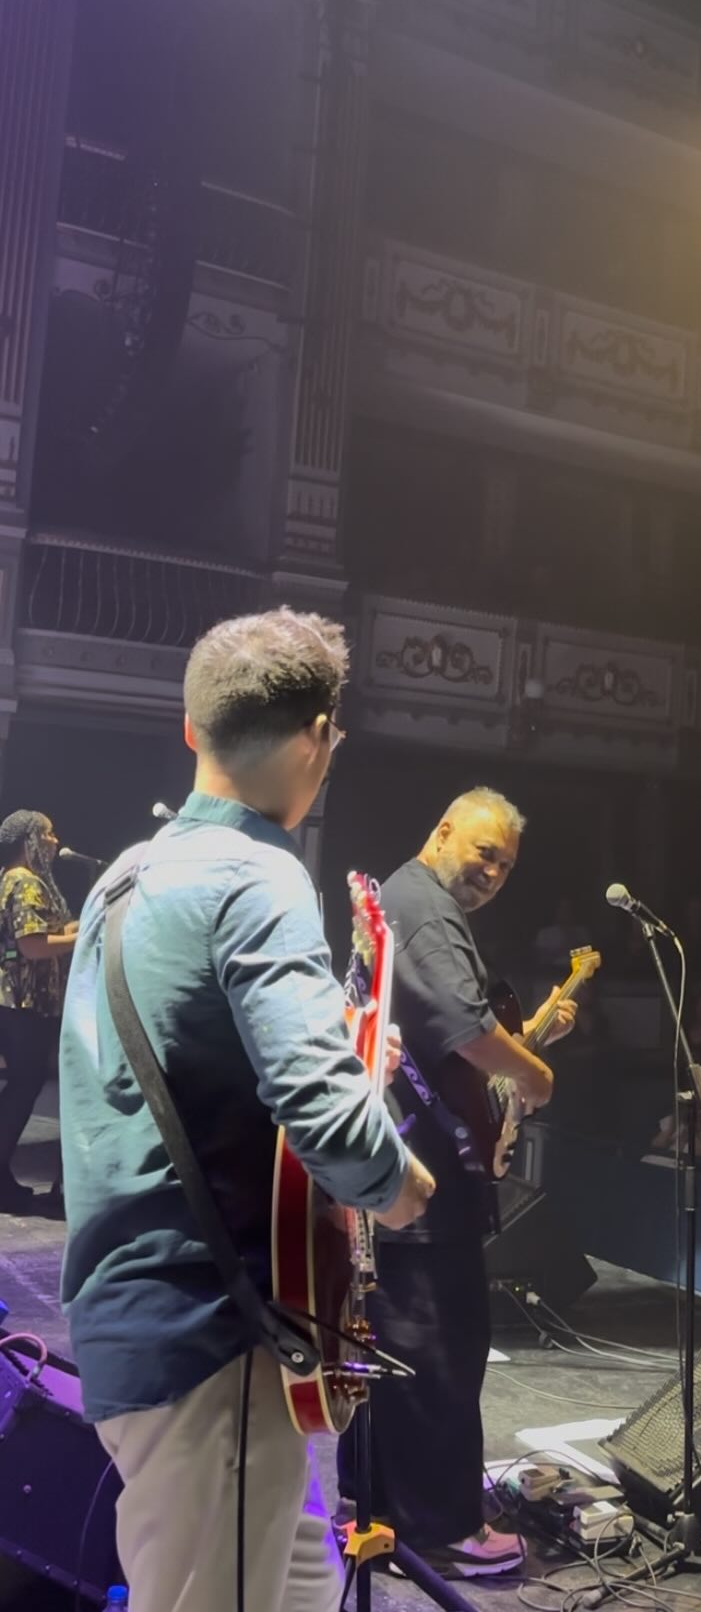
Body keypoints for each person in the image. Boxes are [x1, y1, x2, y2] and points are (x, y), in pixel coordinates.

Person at [59, 609, 434, 1612]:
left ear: (193, 728)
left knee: (301, 1580)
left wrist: (342, 1047)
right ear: (319, 735)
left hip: (138, 1317)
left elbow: (159, 1081)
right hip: (211, 1337)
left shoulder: (123, 877)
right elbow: (328, 1122)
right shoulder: (261, 874)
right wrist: (402, 1183)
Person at [337, 789, 574, 1579]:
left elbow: (443, 1044)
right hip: (421, 1181)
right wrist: (536, 1073)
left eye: (504, 865)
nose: (493, 873)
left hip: (399, 1169)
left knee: (396, 1350)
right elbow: (467, 1028)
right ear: (442, 832)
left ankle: (379, 1507)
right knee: (439, 1350)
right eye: (483, 852)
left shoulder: (406, 901)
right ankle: (441, 1529)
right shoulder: (425, 908)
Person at [0, 809, 77, 1212]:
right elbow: (33, 946)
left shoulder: (12, 878)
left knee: (24, 1083)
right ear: (29, 839)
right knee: (24, 1084)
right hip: (22, 1002)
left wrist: (76, 927)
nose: (54, 840)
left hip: (17, 1002)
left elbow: (43, 933)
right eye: (47, 834)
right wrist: (84, 936)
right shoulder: (26, 881)